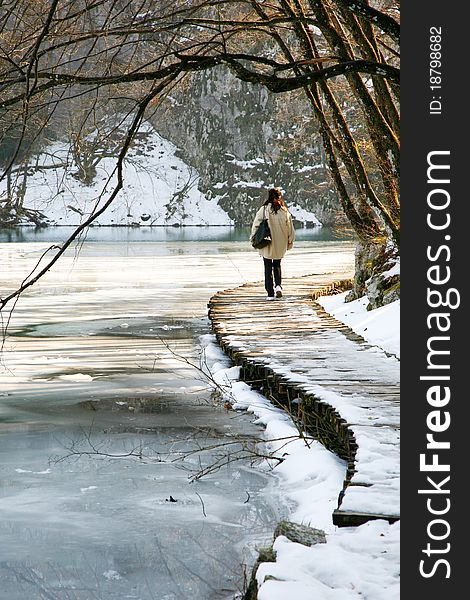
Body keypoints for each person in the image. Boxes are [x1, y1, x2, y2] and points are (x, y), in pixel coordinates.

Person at [250, 188, 295, 300]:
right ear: (279, 197)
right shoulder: (284, 211)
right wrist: (290, 241)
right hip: (281, 243)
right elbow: (290, 228)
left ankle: (270, 293)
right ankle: (278, 286)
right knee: (277, 264)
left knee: (267, 266)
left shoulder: (264, 209)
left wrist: (253, 238)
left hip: (267, 242)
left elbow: (256, 225)